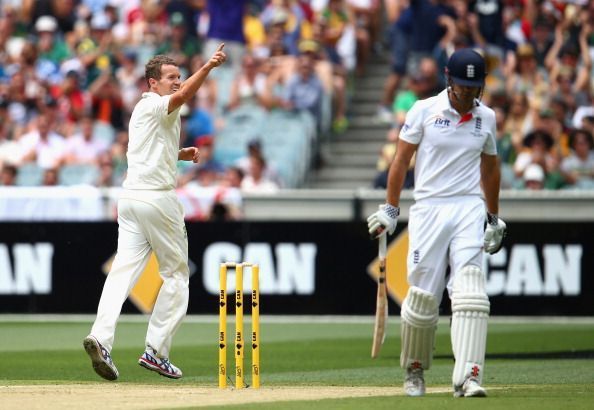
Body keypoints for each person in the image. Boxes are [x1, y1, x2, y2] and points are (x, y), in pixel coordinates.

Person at [367, 48, 506, 398]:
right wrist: (391, 209)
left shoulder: (486, 117)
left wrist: (492, 216)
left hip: (468, 207)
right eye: (463, 86)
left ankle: (468, 376)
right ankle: (414, 371)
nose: (470, 93)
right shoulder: (423, 110)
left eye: (475, 86)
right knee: (424, 298)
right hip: (429, 207)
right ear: (449, 80)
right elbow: (400, 161)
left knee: (471, 290)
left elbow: (490, 168)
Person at [83, 45, 227, 381]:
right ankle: (156, 351)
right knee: (176, 274)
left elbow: (148, 149)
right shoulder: (157, 104)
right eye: (170, 78)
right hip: (157, 200)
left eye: (179, 76)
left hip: (131, 199)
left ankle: (100, 338)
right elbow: (185, 96)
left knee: (122, 272)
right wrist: (207, 66)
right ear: (152, 83)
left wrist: (179, 153)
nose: (177, 82)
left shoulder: (142, 110)